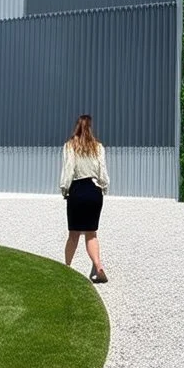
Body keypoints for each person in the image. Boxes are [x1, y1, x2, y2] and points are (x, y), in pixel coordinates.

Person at [59, 114, 111, 283]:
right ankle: (98, 266)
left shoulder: (70, 146)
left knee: (73, 234)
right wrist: (104, 187)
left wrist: (65, 189)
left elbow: (69, 169)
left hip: (77, 190)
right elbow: (103, 171)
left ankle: (67, 268)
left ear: (77, 127)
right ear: (90, 128)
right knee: (91, 234)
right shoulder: (98, 147)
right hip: (94, 191)